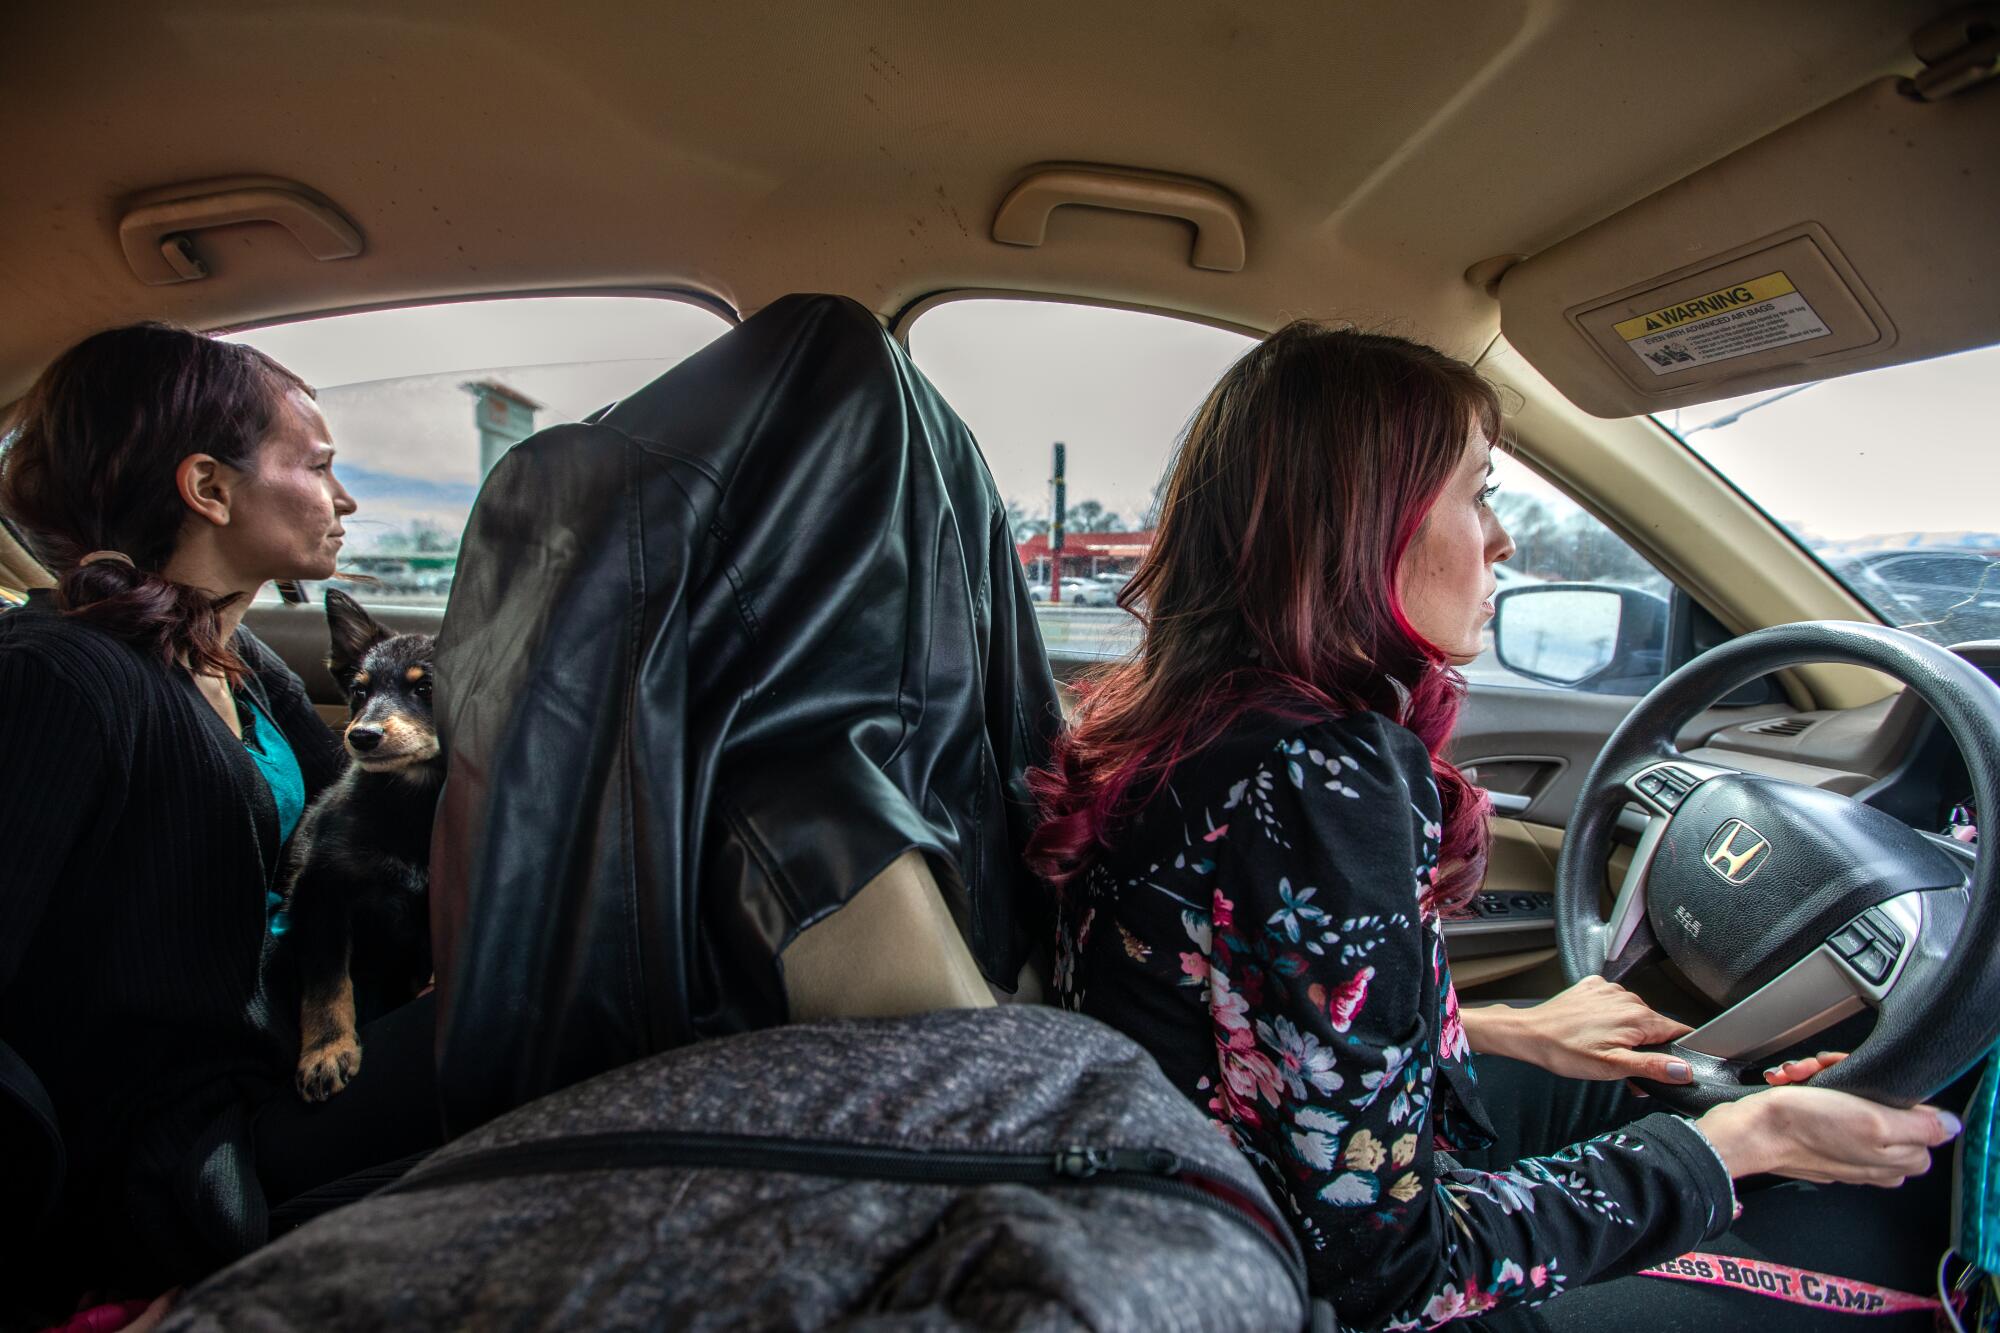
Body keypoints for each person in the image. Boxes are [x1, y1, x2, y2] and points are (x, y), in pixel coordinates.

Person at [1026, 322, 1960, 1331]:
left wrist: (1501, 1031)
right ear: (1363, 522)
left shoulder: (1200, 721)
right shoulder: (1317, 775)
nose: (1501, 541)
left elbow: (1246, 1029)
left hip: (1210, 1187)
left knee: (1663, 1095)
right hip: (1294, 1283)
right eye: (1478, 494)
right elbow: (1389, 1274)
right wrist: (1746, 1140)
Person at [0, 324, 442, 1310]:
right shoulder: (59, 678)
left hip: (269, 1056)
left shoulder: (245, 666)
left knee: (542, 998)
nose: (347, 498)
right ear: (209, 488)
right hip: (166, 1147)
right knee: (531, 1028)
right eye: (320, 466)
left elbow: (362, 829)